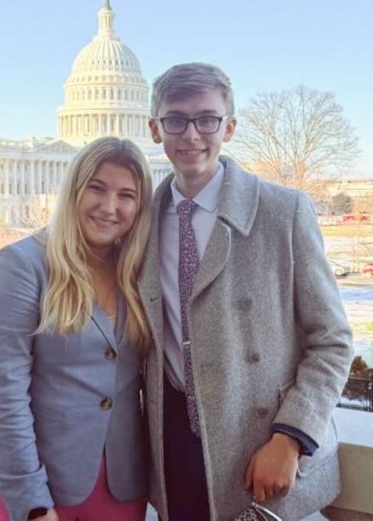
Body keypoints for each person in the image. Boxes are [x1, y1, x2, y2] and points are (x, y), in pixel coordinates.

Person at [139, 63, 353, 520]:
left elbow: (331, 341)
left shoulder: (284, 212)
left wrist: (291, 437)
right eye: (176, 119)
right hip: (174, 451)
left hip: (265, 449)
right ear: (155, 129)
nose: (191, 134)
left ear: (229, 127)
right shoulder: (140, 224)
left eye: (207, 119)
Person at [0, 137, 154, 521]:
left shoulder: (137, 272)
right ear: (74, 188)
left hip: (120, 491)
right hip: (33, 491)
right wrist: (33, 505)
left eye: (127, 195)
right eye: (97, 188)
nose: (110, 207)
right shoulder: (23, 265)